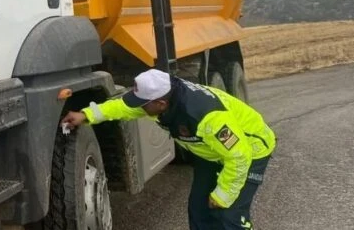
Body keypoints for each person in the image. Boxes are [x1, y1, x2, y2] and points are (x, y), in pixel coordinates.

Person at [61, 68, 275, 230]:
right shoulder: (165, 98)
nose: (139, 107)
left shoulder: (206, 117)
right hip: (213, 153)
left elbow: (239, 157)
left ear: (161, 104)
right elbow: (123, 107)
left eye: (143, 103)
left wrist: (223, 194)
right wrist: (86, 115)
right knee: (199, 209)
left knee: (229, 214)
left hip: (251, 150)